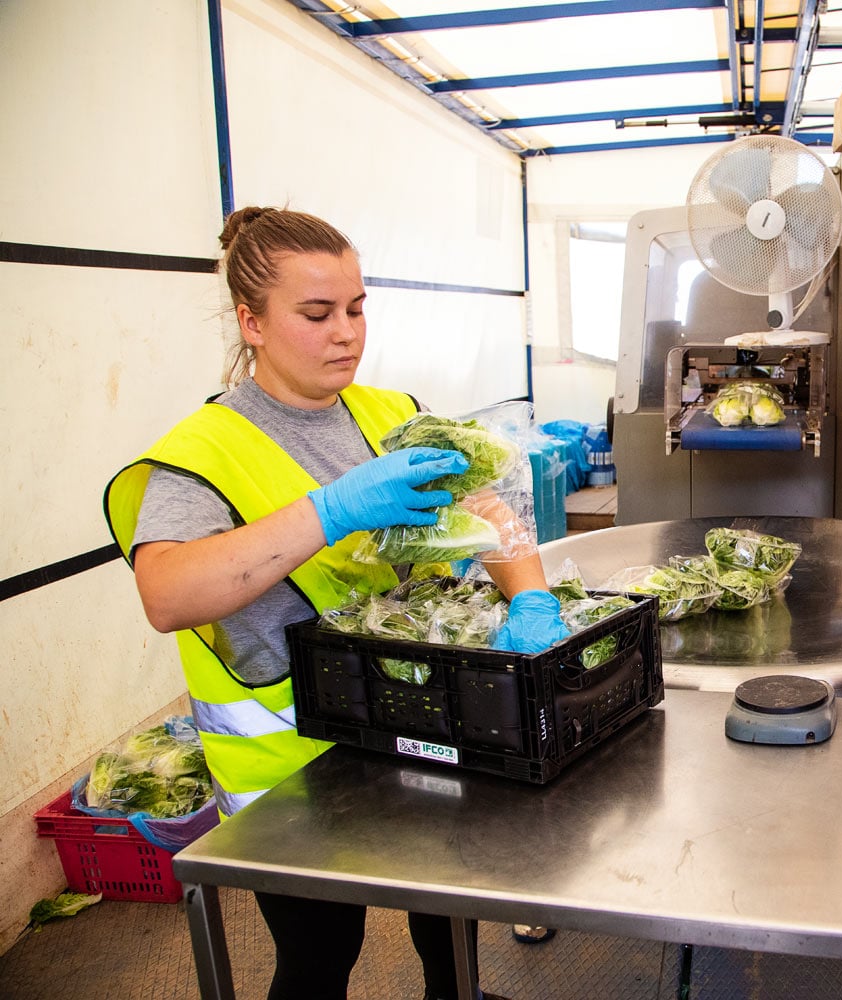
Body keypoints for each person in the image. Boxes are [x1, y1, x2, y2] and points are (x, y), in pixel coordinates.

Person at [103, 207, 570, 1000]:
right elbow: (168, 593)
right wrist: (329, 511)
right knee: (322, 954)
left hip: (417, 718)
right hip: (294, 769)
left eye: (356, 308)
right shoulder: (201, 453)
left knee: (446, 908)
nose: (346, 332)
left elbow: (489, 512)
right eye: (317, 314)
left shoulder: (391, 411)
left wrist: (531, 600)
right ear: (251, 321)